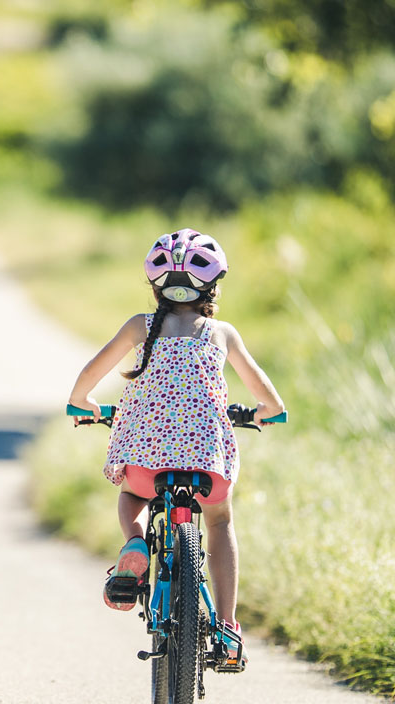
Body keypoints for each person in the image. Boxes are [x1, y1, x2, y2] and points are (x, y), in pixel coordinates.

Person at [65, 229, 286, 656]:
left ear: (155, 286)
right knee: (219, 523)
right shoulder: (222, 333)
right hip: (206, 465)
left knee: (132, 496)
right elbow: (270, 401)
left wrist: (82, 403)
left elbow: (90, 375)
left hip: (147, 464)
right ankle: (227, 627)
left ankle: (134, 541)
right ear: (213, 285)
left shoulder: (139, 327)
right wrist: (265, 413)